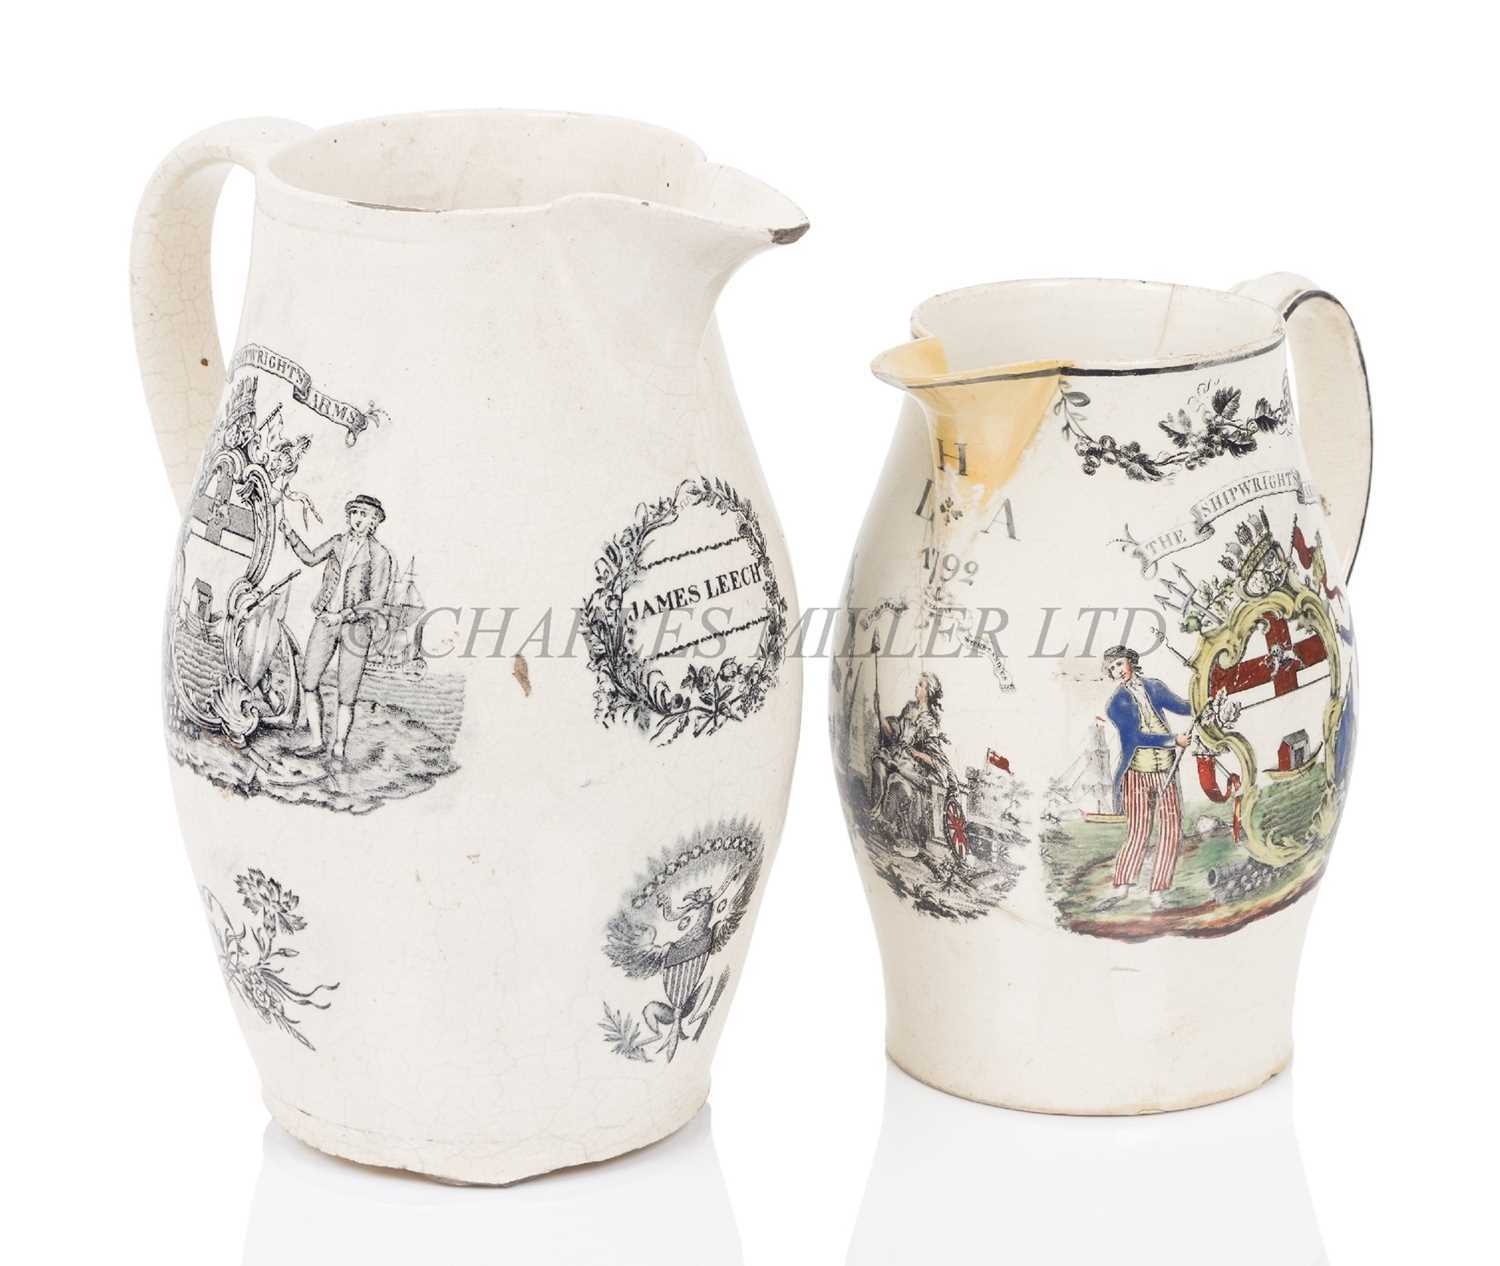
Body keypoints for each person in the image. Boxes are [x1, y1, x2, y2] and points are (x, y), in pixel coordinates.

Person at [281, 494, 393, 762]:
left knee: (347, 693)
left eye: (364, 514)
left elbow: (376, 601)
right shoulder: (337, 542)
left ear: (375, 521)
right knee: (309, 681)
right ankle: (317, 741)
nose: (358, 519)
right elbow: (310, 558)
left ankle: (340, 747)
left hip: (357, 628)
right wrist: (290, 533)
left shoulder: (380, 555)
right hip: (325, 619)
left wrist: (343, 616)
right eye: (355, 512)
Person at [1102, 645, 1193, 909]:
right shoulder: (1115, 704)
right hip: (1137, 772)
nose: (1117, 671)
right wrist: (1173, 740)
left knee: (1172, 829)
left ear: (1130, 661)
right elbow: (1135, 738)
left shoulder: (1154, 687)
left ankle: (1158, 889)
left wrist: (1204, 696)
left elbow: (1183, 707)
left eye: (1119, 664)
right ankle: (1122, 885)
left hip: (1165, 769)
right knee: (1139, 830)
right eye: (1112, 668)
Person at [871, 672, 953, 852]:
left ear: (929, 692)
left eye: (921, 685)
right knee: (878, 764)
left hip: (910, 766)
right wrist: (879, 712)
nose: (917, 687)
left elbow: (933, 756)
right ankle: (874, 815)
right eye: (918, 683)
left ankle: (886, 824)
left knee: (896, 783)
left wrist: (915, 752)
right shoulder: (909, 708)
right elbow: (894, 736)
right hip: (895, 755)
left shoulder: (929, 722)